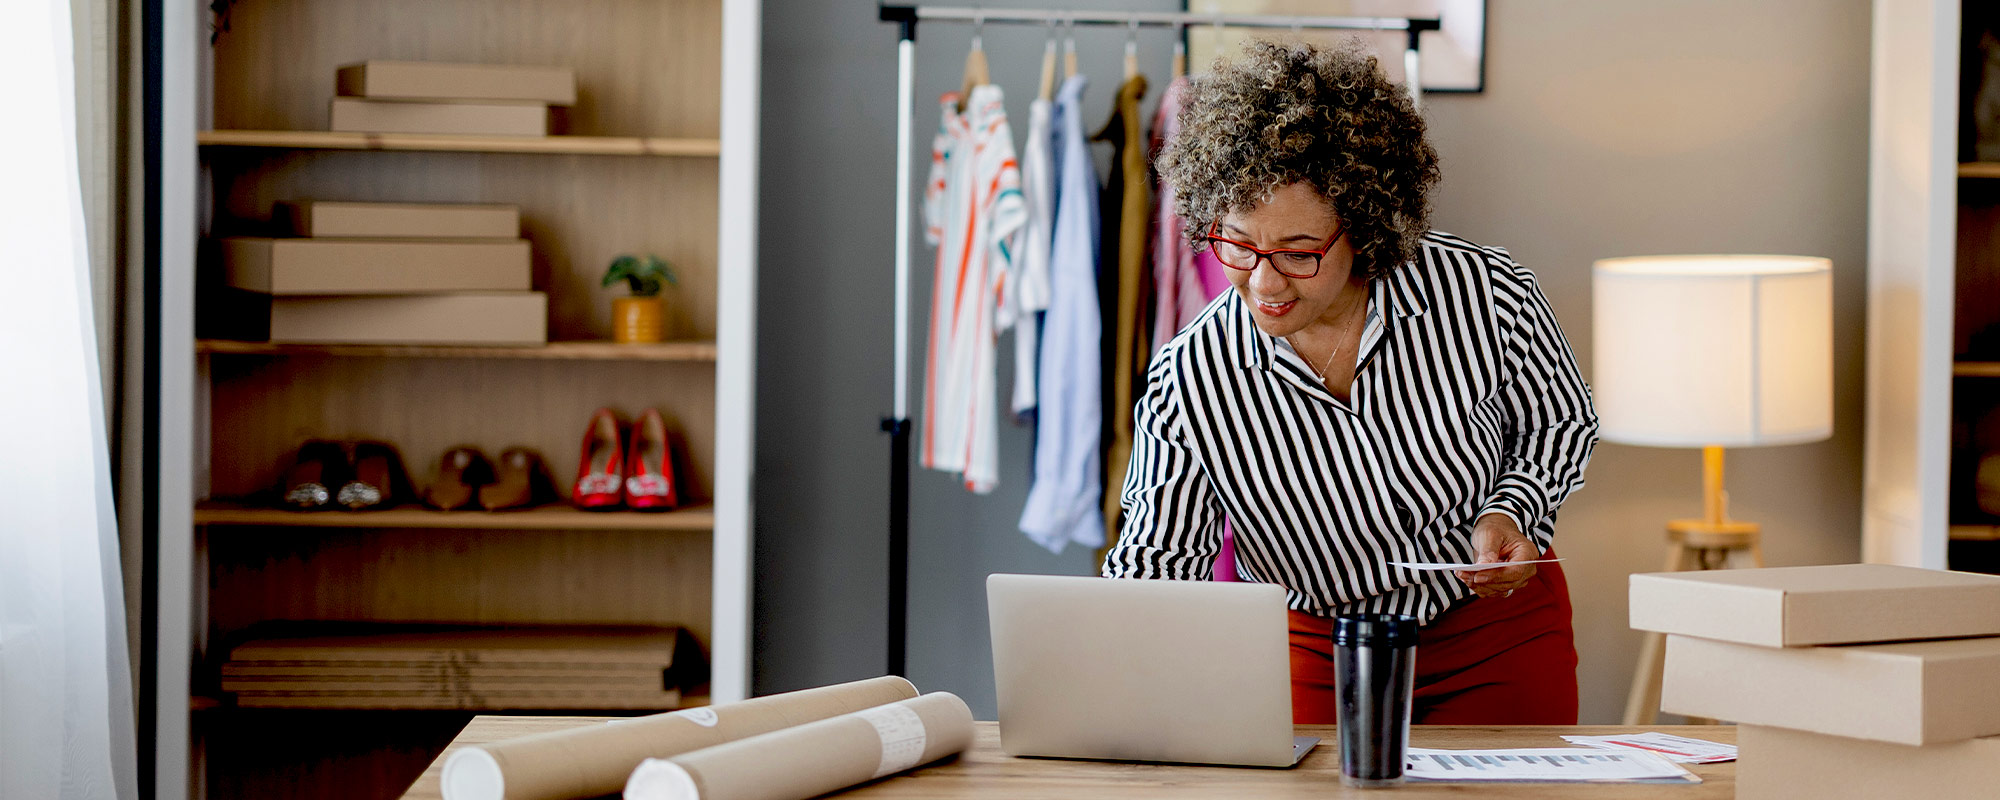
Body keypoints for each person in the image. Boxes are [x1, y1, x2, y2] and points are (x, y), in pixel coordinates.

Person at [1102, 40, 1599, 725]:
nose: (1264, 282)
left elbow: (1558, 420)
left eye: (1299, 254)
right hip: (1315, 643)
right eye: (1239, 245)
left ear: (1365, 226)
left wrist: (1512, 511)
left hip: (1492, 633)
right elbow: (1160, 560)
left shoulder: (1486, 293)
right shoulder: (1191, 377)